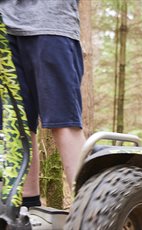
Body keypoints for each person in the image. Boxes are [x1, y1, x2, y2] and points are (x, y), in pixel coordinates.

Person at [0, 0, 86, 208]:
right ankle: (26, 208)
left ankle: (89, 210)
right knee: (15, 125)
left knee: (64, 121)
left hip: (51, 22)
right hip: (5, 27)